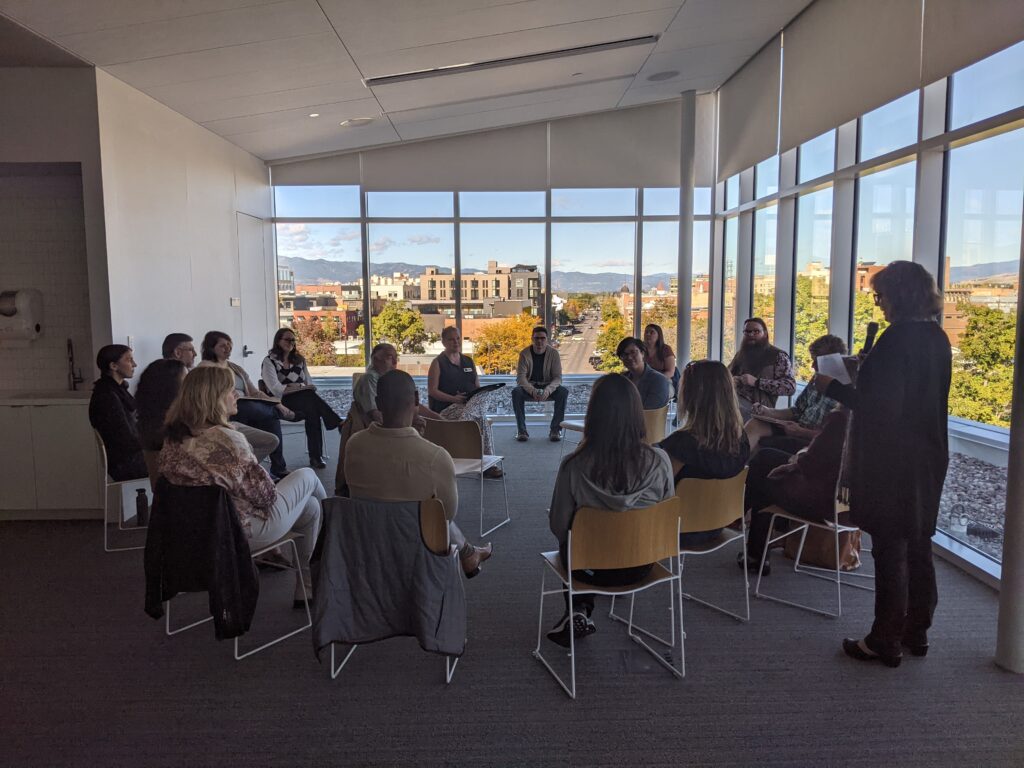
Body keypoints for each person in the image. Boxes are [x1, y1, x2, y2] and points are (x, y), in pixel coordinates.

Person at [813, 261, 951, 668]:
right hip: (928, 456)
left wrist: (834, 386)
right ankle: (917, 631)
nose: (879, 303)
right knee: (919, 544)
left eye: (881, 296)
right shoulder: (936, 337)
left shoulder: (896, 340)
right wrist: (867, 372)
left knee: (890, 548)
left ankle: (884, 638)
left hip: (892, 460)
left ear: (900, 295)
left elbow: (881, 408)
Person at [159, 366, 325, 608]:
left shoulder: (173, 438)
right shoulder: (228, 439)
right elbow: (266, 496)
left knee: (310, 508)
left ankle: (308, 587)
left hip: (189, 537)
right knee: (307, 476)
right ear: (212, 397)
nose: (237, 394)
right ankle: (337, 534)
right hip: (236, 534)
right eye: (230, 390)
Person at [546, 373, 675, 647]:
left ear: (593, 413)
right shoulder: (660, 461)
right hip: (642, 563)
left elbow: (558, 525)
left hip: (588, 567)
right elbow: (667, 517)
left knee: (570, 542)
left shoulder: (574, 465)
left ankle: (578, 609)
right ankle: (580, 609)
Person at [345, 369, 492, 578]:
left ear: (377, 402)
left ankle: (470, 554)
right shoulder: (436, 457)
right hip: (417, 548)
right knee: (436, 510)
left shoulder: (354, 445)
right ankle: (469, 554)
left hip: (368, 542)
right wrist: (420, 441)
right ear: (416, 399)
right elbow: (448, 515)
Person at [742, 406, 849, 576]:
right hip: (849, 506)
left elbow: (811, 463)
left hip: (828, 504)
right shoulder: (877, 420)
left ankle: (752, 545)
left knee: (767, 473)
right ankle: (754, 549)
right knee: (769, 467)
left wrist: (795, 461)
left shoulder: (841, 418)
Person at [658, 359, 749, 547]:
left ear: (690, 396)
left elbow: (658, 488)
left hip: (677, 528)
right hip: (716, 523)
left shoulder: (682, 445)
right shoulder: (741, 439)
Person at [336, 343, 435, 495]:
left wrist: (436, 417)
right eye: (390, 358)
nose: (395, 363)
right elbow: (376, 415)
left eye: (396, 358)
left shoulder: (388, 381)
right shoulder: (370, 379)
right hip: (374, 434)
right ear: (376, 360)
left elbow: (412, 405)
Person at [199, 331, 289, 478]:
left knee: (269, 418)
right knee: (247, 407)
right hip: (226, 410)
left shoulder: (235, 368)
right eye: (223, 346)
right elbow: (210, 399)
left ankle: (277, 468)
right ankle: (248, 470)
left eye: (229, 345)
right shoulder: (205, 369)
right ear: (211, 348)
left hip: (247, 407)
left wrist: (277, 404)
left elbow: (254, 392)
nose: (228, 348)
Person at [744, 334, 846, 454]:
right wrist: (768, 412)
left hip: (813, 439)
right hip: (797, 427)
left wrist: (801, 432)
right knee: (755, 424)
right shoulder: (816, 379)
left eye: (816, 361)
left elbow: (835, 438)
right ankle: (735, 466)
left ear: (832, 361)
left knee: (765, 452)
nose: (812, 366)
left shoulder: (845, 390)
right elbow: (797, 411)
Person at [261, 328, 343, 471]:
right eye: (287, 339)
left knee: (312, 407)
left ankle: (316, 456)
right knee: (310, 401)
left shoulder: (300, 360)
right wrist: (299, 386)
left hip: (303, 400)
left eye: (293, 340)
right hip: (281, 403)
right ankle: (319, 451)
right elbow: (275, 389)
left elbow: (309, 384)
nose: (291, 343)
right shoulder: (269, 361)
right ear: (278, 341)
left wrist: (297, 386)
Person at [426, 325, 501, 477]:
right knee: (481, 419)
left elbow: (477, 386)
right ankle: (487, 465)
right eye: (451, 339)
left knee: (481, 401)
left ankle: (467, 422)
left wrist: (474, 396)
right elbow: (432, 391)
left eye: (458, 338)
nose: (456, 342)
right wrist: (454, 399)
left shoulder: (468, 361)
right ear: (444, 342)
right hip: (447, 409)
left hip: (468, 407)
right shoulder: (438, 363)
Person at [89, 344, 147, 481]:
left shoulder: (117, 390)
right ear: (114, 366)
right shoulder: (107, 396)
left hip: (127, 457)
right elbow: (125, 438)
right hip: (125, 463)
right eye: (129, 360)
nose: (135, 364)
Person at [728, 318, 796, 421]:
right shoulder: (741, 354)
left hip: (758, 407)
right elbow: (726, 375)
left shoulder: (778, 356)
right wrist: (733, 380)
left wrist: (756, 382)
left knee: (725, 409)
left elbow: (790, 387)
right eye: (747, 331)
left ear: (765, 333)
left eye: (756, 331)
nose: (751, 334)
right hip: (734, 397)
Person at [511, 325, 568, 442]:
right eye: (537, 338)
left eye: (542, 338)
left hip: (548, 386)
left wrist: (547, 390)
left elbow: (558, 378)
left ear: (547, 339)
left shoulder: (554, 354)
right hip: (530, 386)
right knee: (516, 392)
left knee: (563, 392)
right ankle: (522, 431)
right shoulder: (524, 354)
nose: (539, 341)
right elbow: (521, 378)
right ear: (532, 339)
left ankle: (555, 430)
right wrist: (532, 390)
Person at [616, 336, 671, 410]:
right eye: (624, 355)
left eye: (633, 352)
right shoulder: (622, 379)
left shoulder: (658, 380)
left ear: (642, 353)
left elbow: (650, 412)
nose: (629, 357)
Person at [643, 323, 679, 393]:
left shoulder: (665, 349)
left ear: (658, 335)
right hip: (644, 380)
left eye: (651, 332)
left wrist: (655, 380)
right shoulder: (639, 349)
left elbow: (670, 372)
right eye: (646, 332)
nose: (648, 334)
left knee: (657, 391)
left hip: (664, 379)